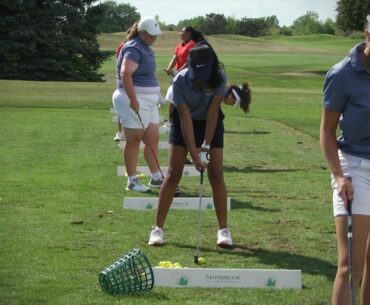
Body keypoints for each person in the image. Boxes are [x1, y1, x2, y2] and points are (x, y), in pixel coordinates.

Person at [148, 42, 237, 247]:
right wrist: (195, 156)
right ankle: (157, 229)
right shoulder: (179, 82)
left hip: (210, 122)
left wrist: (205, 146)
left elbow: (213, 114)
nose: (199, 81)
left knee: (216, 173)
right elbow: (185, 121)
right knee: (173, 173)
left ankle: (223, 230)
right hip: (185, 122)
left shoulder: (219, 78)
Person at [320, 15, 370, 305]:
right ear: (366, 34)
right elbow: (326, 131)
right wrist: (339, 175)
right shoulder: (342, 74)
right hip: (353, 166)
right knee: (351, 262)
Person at [112, 17, 164, 193]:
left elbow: (150, 75)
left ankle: (157, 177)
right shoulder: (134, 48)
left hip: (148, 100)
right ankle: (132, 181)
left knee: (152, 139)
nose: (154, 38)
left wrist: (158, 94)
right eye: (151, 35)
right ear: (142, 33)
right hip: (134, 98)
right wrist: (133, 100)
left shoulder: (147, 48)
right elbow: (126, 73)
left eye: (155, 35)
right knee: (134, 140)